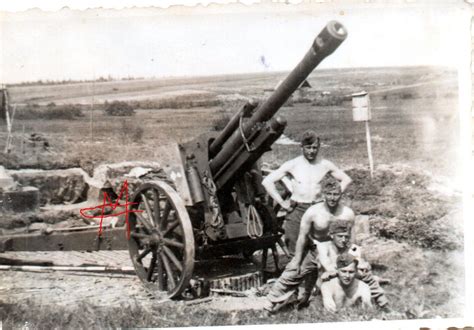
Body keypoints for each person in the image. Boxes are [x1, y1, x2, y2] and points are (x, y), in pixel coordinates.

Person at [264, 181, 354, 313]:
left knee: (350, 273)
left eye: (336, 194)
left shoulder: (347, 213)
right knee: (293, 272)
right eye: (329, 194)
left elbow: (353, 238)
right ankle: (269, 304)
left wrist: (351, 258)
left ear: (341, 195)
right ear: (324, 195)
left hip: (337, 252)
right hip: (315, 250)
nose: (332, 198)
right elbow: (302, 237)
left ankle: (341, 301)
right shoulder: (313, 212)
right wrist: (297, 259)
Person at [262, 130, 352, 254]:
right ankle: (297, 270)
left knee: (321, 245)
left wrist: (332, 197)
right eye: (308, 147)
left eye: (315, 148)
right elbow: (267, 181)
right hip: (297, 210)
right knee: (294, 245)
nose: (311, 151)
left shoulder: (325, 164)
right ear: (302, 147)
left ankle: (320, 270)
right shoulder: (292, 164)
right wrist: (282, 203)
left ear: (319, 148)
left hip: (318, 209)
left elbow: (346, 179)